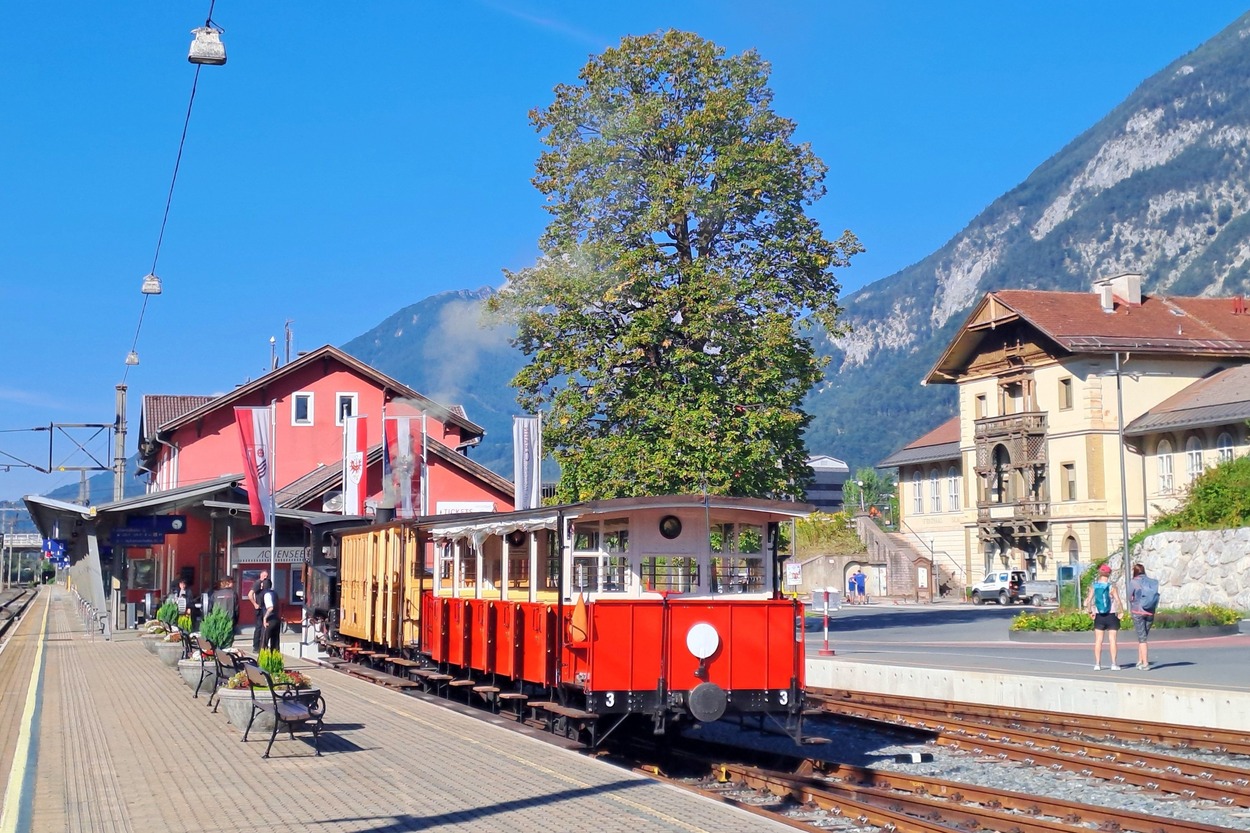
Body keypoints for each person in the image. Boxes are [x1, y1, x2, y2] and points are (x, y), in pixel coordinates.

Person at [1084, 563, 1123, 670]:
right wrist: (1121, 611)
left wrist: (1090, 611)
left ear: (1100, 573)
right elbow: (1118, 601)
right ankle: (1114, 664)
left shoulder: (1094, 586)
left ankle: (1097, 664)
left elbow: (1089, 600)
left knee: (1098, 640)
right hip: (1111, 615)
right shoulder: (1112, 587)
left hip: (1099, 615)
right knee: (1112, 640)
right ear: (1109, 574)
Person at [1128, 563, 1155, 670]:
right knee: (1143, 637)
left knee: (1142, 639)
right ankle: (1140, 660)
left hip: (1138, 611)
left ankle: (1145, 664)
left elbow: (1130, 596)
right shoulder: (1151, 582)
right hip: (1150, 611)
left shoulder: (1134, 582)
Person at [249, 570, 272, 652]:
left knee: (263, 627)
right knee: (259, 627)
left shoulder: (266, 583)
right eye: (265, 575)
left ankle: (262, 645)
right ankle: (256, 646)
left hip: (265, 607)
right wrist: (255, 604)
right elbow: (250, 594)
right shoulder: (258, 583)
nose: (266, 577)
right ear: (261, 575)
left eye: (267, 575)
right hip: (260, 608)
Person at [261, 582, 281, 652]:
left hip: (270, 620)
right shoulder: (274, 593)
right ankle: (275, 659)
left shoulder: (267, 594)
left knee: (264, 642)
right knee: (275, 643)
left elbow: (270, 608)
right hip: (277, 619)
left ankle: (262, 661)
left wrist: (265, 618)